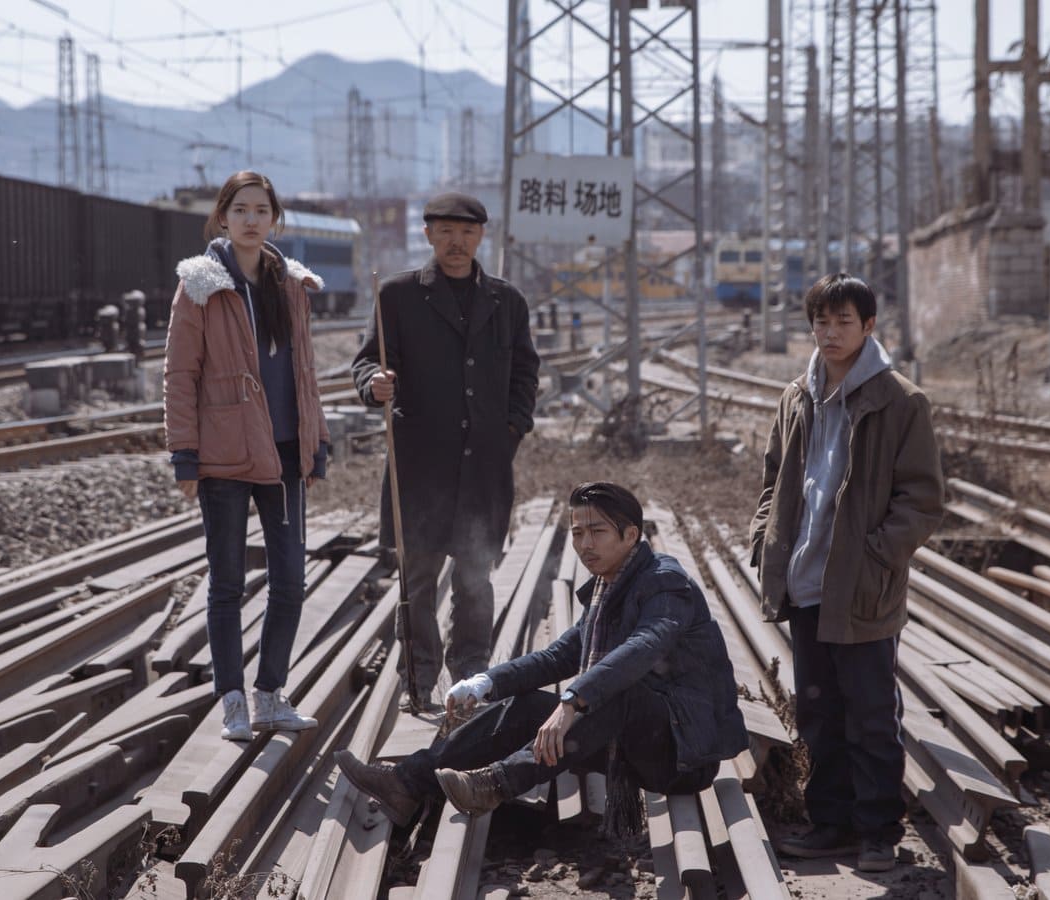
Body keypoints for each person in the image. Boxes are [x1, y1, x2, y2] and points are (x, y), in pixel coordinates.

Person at [333, 482, 749, 836]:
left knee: (619, 693)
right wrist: (485, 683)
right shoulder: (608, 588)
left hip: (682, 754)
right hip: (627, 742)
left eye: (598, 532)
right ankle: (406, 783)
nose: (585, 545)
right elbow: (559, 655)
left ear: (630, 535)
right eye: (578, 533)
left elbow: (644, 646)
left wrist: (572, 701)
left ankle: (493, 785)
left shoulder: (665, 583)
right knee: (527, 706)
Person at [749, 273, 945, 873]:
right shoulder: (796, 396)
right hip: (805, 584)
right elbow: (774, 478)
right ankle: (830, 823)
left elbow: (922, 499)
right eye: (822, 321)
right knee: (818, 714)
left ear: (868, 326)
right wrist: (764, 538)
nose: (831, 333)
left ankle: (878, 832)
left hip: (862, 589)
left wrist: (877, 555)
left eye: (844, 322)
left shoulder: (900, 401)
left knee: (871, 716)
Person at [351, 192, 540, 711]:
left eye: (467, 232)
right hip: (420, 464)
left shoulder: (506, 301)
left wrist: (512, 427)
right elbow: (366, 362)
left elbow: (526, 372)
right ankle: (418, 680)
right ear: (428, 234)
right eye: (446, 231)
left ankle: (471, 679)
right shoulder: (397, 295)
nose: (457, 242)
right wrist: (374, 385)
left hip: (484, 465)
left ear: (481, 236)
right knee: (417, 580)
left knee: (475, 577)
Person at [164, 170, 332, 741]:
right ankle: (232, 699)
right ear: (222, 217)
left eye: (261, 210)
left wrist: (316, 444)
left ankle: (270, 694)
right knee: (227, 584)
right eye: (240, 210)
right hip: (224, 456)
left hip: (284, 455)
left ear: (275, 219)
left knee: (290, 580)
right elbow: (179, 375)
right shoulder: (200, 285)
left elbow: (305, 373)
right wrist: (184, 454)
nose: (251, 220)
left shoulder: (292, 285)